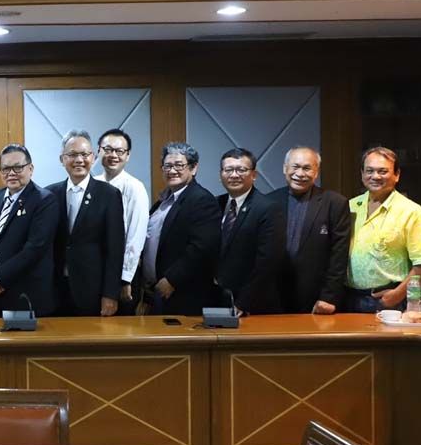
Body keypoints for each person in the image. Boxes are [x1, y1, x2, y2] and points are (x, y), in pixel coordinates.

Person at [345, 147, 421, 313]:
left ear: (397, 175)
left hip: (388, 299)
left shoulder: (412, 212)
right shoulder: (350, 206)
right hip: (347, 297)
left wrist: (396, 295)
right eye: (369, 171)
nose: (375, 176)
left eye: (383, 171)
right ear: (362, 174)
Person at [48, 130, 125, 316]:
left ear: (94, 157)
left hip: (92, 290)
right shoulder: (49, 195)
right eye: (72, 155)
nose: (79, 160)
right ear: (62, 159)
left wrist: (110, 294)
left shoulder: (109, 195)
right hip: (54, 288)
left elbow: (115, 250)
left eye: (84, 154)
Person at [138, 142, 220, 316]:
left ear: (193, 168)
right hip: (155, 292)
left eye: (179, 165)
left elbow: (202, 247)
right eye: (167, 166)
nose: (172, 170)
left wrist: (172, 280)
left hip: (181, 292)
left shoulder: (201, 200)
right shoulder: (162, 202)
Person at [0, 144, 59, 317]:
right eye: (6, 168)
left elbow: (34, 248)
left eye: (18, 167)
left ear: (31, 169)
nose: (11, 173)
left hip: (26, 295)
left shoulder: (45, 200)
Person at [269, 147, 351, 314]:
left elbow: (339, 255)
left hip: (316, 298)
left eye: (307, 168)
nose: (300, 173)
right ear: (285, 168)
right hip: (273, 295)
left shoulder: (335, 203)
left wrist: (329, 297)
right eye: (295, 167)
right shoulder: (269, 201)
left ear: (316, 172)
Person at [214, 148, 285, 315]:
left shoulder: (268, 208)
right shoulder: (216, 204)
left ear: (254, 175)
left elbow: (268, 262)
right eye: (228, 170)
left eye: (241, 170)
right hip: (218, 298)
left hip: (252, 304)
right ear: (220, 175)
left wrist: (243, 302)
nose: (234, 175)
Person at [95, 128, 150, 314]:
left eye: (119, 151)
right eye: (108, 149)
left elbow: (136, 237)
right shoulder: (92, 183)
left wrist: (126, 279)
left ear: (128, 156)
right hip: (96, 269)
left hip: (123, 272)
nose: (113, 155)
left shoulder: (135, 187)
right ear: (98, 151)